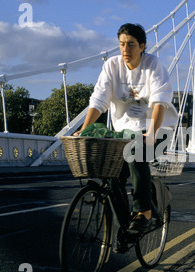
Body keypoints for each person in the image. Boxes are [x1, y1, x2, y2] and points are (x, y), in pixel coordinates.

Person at [75, 23, 178, 237]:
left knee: (136, 151)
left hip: (158, 131)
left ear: (142, 46)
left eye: (131, 44)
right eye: (122, 44)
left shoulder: (153, 65)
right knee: (111, 175)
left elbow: (160, 101)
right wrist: (84, 131)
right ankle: (126, 229)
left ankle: (145, 212)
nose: (125, 50)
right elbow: (99, 100)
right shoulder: (112, 66)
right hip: (124, 133)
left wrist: (150, 133)